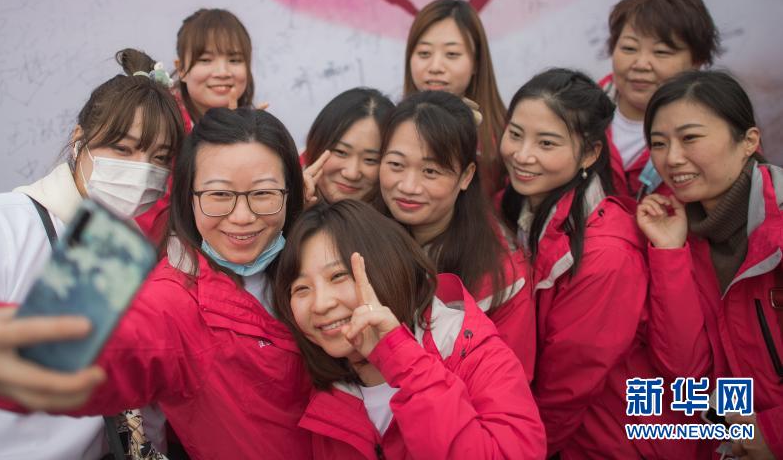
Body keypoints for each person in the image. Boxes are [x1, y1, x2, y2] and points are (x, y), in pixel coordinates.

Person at [0, 107, 314, 459]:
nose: (242, 216)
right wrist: (16, 351)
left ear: (291, 194)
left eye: (263, 194)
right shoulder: (175, 300)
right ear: (188, 198)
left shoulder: (314, 260)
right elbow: (126, 347)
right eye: (219, 195)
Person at [0, 49, 184, 459]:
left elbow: (140, 395)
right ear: (79, 140)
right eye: (124, 148)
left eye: (160, 158)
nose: (143, 170)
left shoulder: (131, 254)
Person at [272, 199, 546, 459]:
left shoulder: (472, 352)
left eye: (338, 276)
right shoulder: (309, 381)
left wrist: (402, 359)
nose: (321, 304)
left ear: (387, 269)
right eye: (301, 288)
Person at [499, 68, 651, 458]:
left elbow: (567, 390)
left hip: (601, 441)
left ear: (590, 153)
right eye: (515, 134)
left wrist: (522, 451)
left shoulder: (606, 256)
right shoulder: (515, 206)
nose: (522, 155)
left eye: (546, 143)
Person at [637, 70, 781, 459]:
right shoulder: (679, 229)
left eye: (690, 138)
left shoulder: (777, 228)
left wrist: (771, 434)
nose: (672, 158)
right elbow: (686, 372)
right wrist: (669, 251)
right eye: (659, 143)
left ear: (749, 141)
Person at [377, 90, 535, 379]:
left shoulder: (502, 278)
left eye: (430, 171)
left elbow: (508, 386)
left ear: (466, 176)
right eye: (396, 165)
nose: (408, 186)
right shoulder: (355, 240)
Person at [138, 7, 256, 241]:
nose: (222, 72)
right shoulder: (161, 126)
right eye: (205, 60)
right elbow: (150, 216)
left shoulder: (253, 128)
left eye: (234, 60)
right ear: (181, 69)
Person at [601, 0, 720, 198]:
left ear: (697, 61)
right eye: (629, 48)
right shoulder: (572, 111)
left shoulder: (721, 125)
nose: (641, 64)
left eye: (661, 52)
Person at [403, 0, 507, 194]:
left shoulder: (506, 136)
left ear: (476, 62)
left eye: (451, 54)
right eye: (424, 53)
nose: (435, 67)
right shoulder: (392, 126)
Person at [301, 87, 395, 206]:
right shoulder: (283, 208)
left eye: (370, 159)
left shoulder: (398, 216)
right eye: (341, 152)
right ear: (317, 143)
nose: (352, 174)